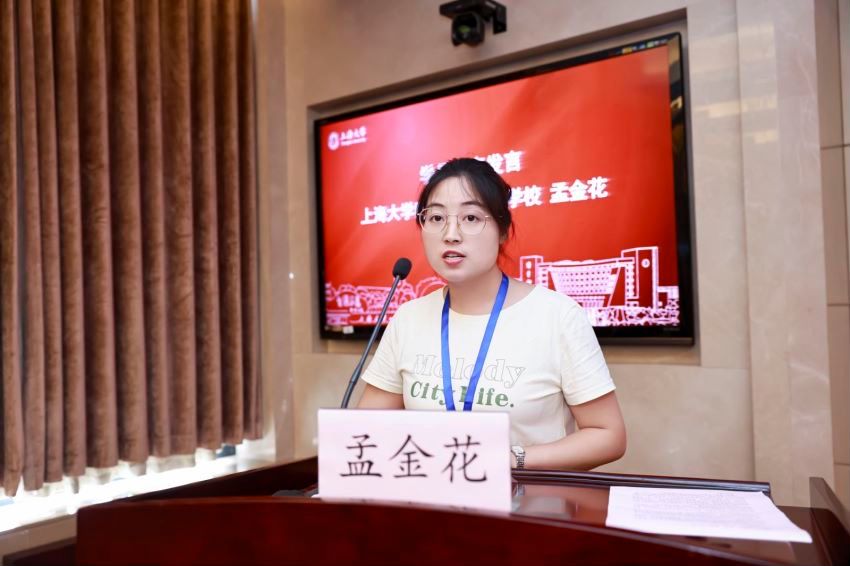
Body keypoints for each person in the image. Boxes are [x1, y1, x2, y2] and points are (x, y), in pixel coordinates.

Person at [358, 158, 626, 471]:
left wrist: (511, 460)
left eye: (471, 217)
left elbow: (608, 435)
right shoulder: (408, 318)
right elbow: (366, 429)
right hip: (431, 496)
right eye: (436, 218)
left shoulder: (558, 316)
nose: (451, 234)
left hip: (526, 498)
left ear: (502, 231)